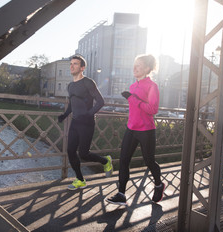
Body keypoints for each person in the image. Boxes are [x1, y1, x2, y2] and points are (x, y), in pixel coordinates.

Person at [105, 54, 165, 205]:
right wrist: (132, 99)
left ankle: (159, 184)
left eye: (138, 65)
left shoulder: (152, 86)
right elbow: (135, 110)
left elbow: (153, 109)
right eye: (134, 64)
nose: (134, 68)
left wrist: (132, 99)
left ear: (147, 68)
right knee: (124, 160)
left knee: (149, 160)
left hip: (146, 130)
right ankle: (121, 194)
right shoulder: (133, 86)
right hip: (131, 128)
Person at [58, 55, 113, 190]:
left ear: (82, 68)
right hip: (75, 122)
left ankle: (105, 161)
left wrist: (88, 114)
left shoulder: (88, 82)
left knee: (83, 154)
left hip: (87, 123)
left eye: (75, 64)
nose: (71, 66)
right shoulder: (70, 86)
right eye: (71, 64)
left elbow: (100, 102)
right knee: (70, 151)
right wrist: (65, 115)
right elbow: (72, 103)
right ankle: (80, 180)